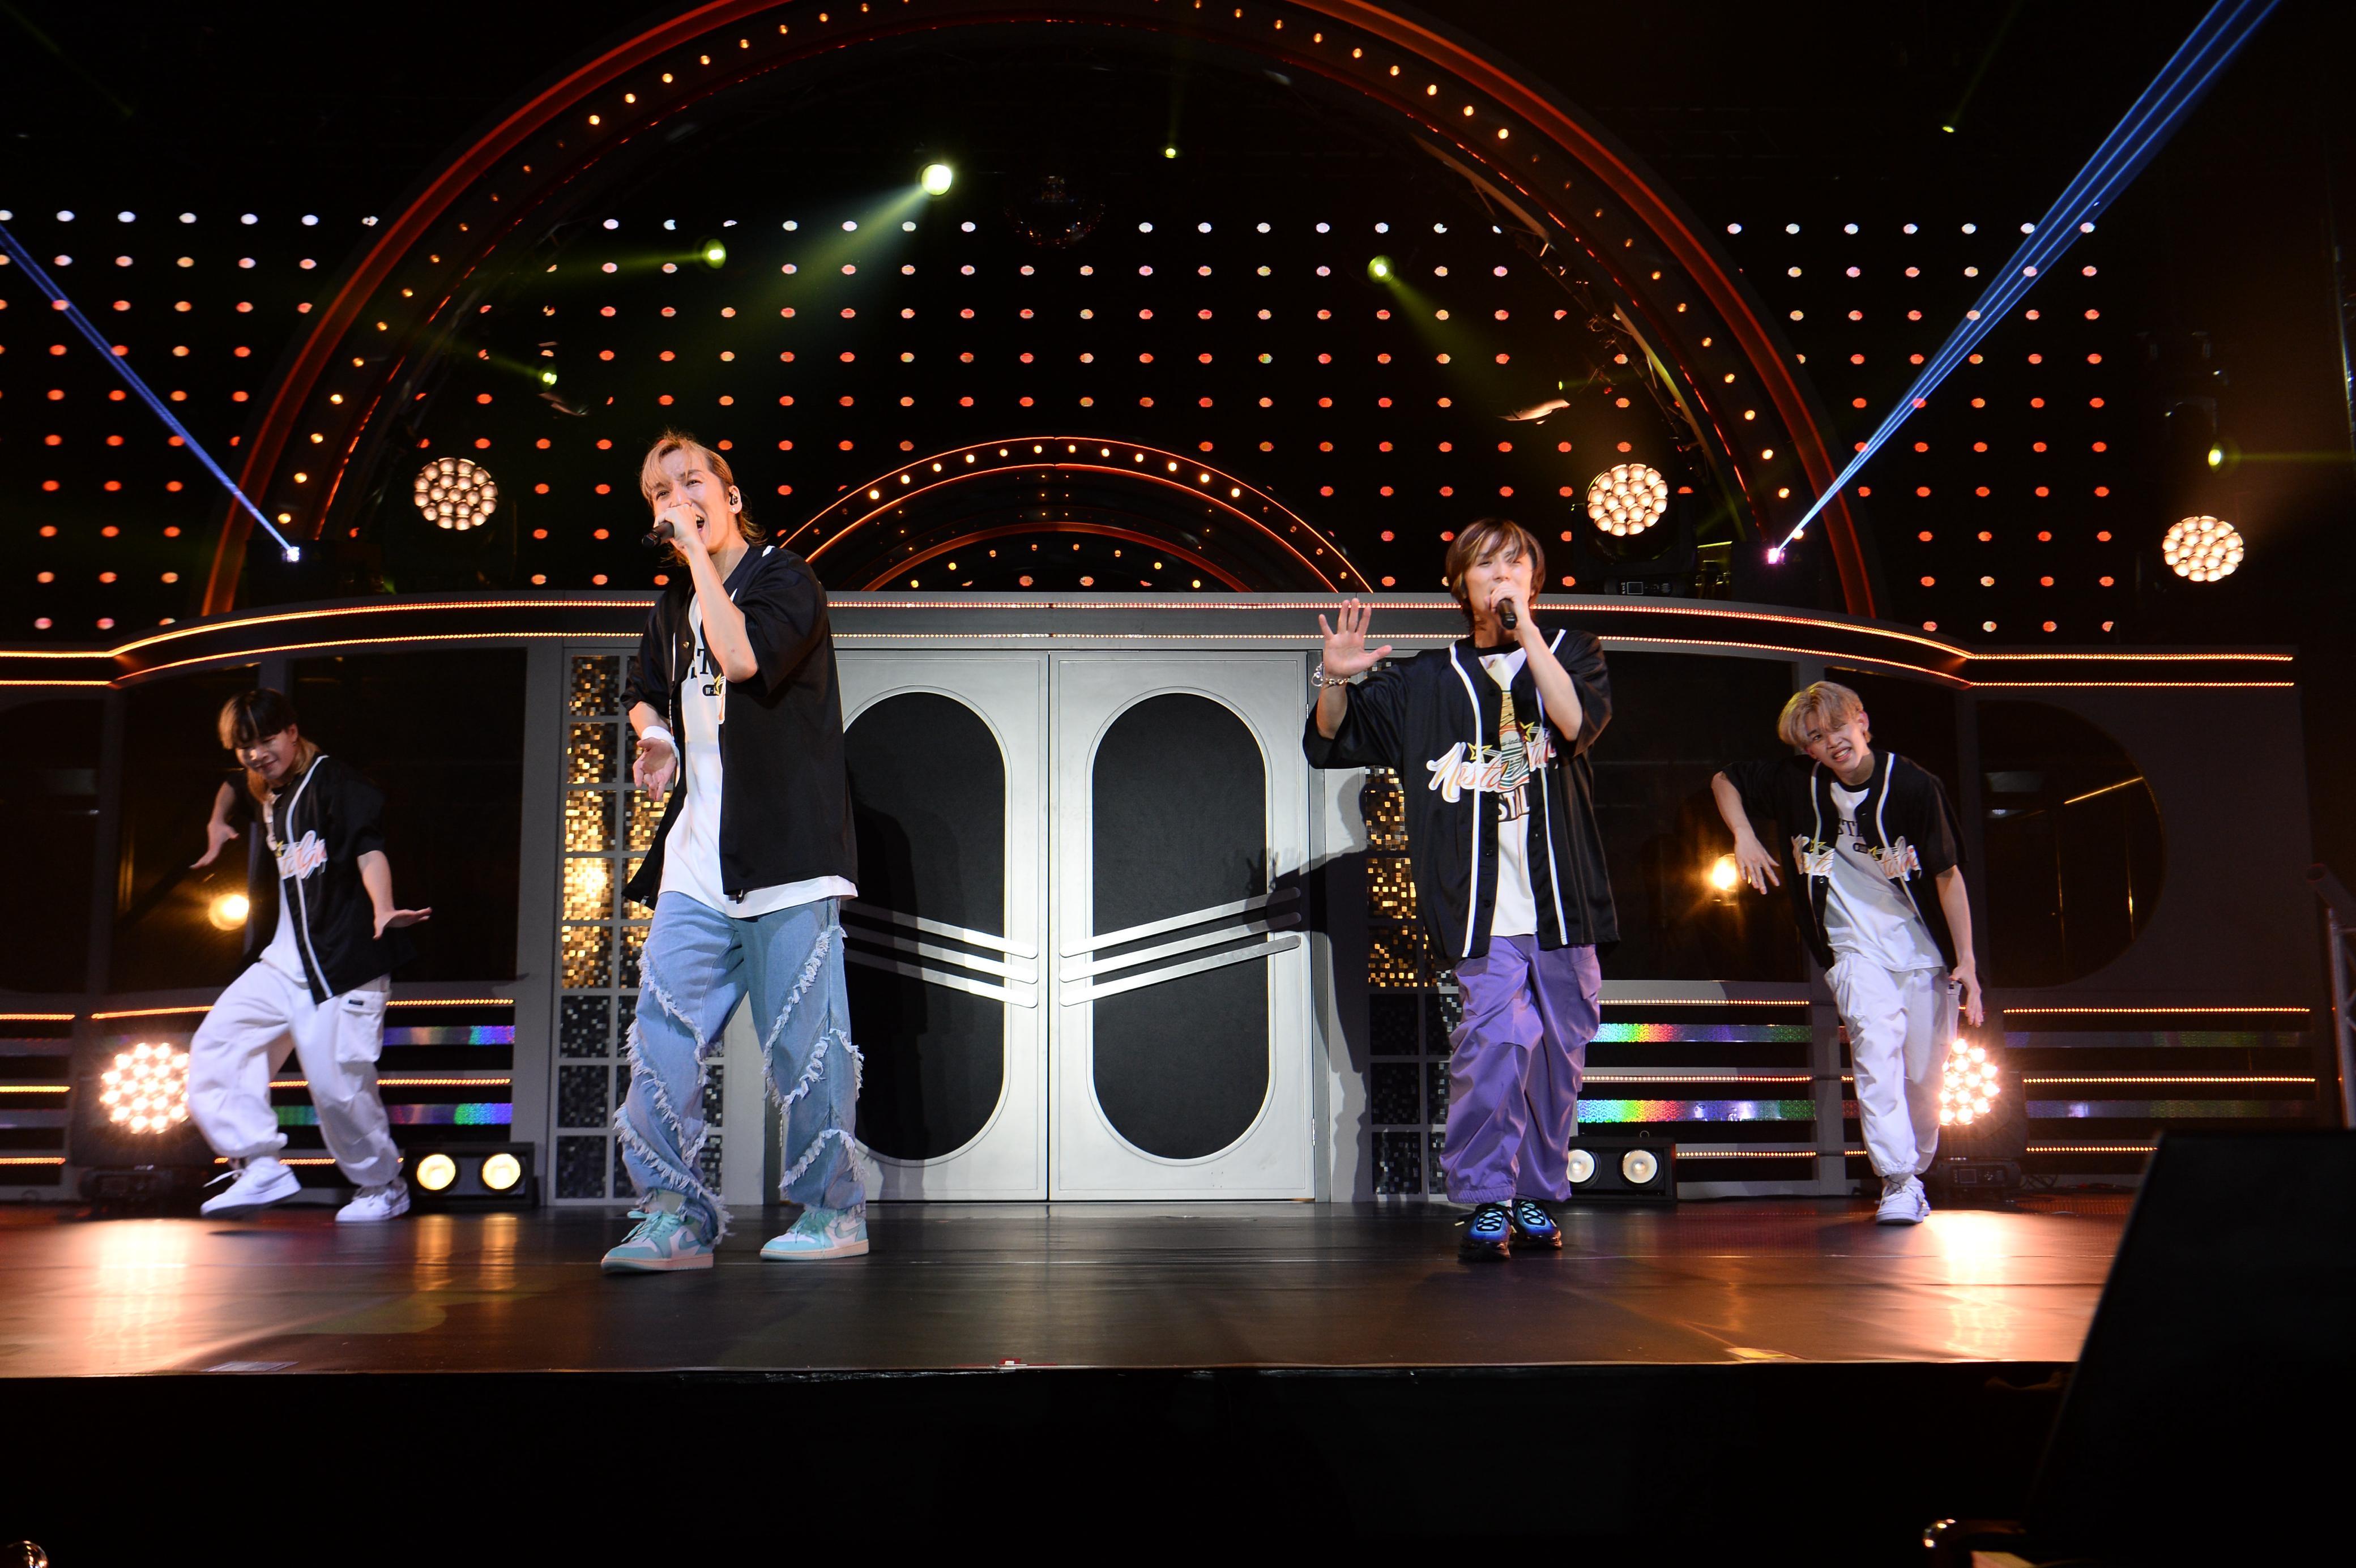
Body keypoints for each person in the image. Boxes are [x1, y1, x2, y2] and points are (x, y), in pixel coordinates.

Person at [1305, 518, 1616, 1259]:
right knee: (1494, 1042)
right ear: (1460, 585)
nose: (1502, 575)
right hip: (1478, 908)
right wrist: (1335, 678)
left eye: (1516, 564)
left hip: (1562, 901)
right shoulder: (1424, 679)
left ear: (1534, 581)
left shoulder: (1572, 650)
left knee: (1559, 1054)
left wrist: (1529, 634)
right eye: (1486, 565)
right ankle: (1486, 1195)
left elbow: (1574, 723)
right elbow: (1330, 740)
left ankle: (1534, 1191)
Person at [601, 430, 865, 1274]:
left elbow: (743, 657)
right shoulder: (669, 608)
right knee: (662, 1036)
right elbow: (643, 692)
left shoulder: (785, 579)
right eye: (659, 493)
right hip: (696, 858)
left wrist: (697, 561)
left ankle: (832, 1210)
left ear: (731, 496)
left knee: (803, 1043)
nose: (674, 501)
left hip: (785, 855)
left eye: (690, 483)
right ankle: (673, 1215)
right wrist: (655, 737)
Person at [1709, 681, 1985, 1225]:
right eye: (1815, 737)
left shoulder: (1914, 785)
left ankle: (1915, 1168)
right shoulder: (1799, 783)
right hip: (1852, 947)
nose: (1831, 741)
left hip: (1922, 951)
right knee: (1874, 1047)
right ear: (1807, 749)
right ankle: (1898, 1180)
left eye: (1837, 727)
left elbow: (1948, 875)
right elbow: (1725, 779)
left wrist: (1968, 960)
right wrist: (1743, 834)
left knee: (1924, 1080)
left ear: (1862, 721)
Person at [186, 689, 430, 1221]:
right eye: (245, 747)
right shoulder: (263, 786)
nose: (256, 754)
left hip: (345, 965)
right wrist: (216, 821)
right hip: (284, 963)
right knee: (218, 1046)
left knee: (338, 1090)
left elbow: (369, 847)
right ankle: (260, 1164)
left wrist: (383, 907)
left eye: (266, 740)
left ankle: (383, 1186)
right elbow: (232, 785)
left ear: (293, 733)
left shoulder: (335, 783)